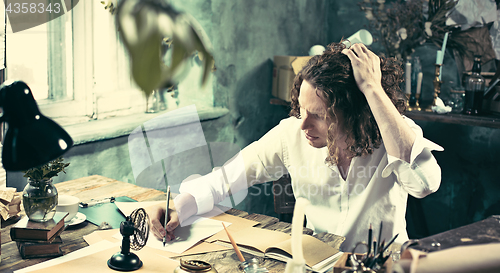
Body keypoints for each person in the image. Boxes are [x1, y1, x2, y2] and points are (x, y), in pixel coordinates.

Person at [145, 42, 442, 251]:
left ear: (354, 114)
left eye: (319, 116)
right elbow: (225, 179)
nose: (303, 124)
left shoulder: (392, 134)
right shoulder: (292, 133)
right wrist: (178, 207)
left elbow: (425, 184)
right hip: (318, 267)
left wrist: (372, 89)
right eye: (301, 109)